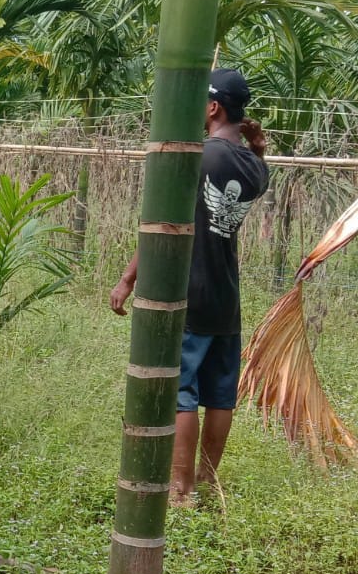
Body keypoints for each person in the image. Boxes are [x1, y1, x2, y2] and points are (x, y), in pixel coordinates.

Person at [111, 67, 269, 506]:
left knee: (182, 390)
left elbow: (165, 223)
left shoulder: (197, 156)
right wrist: (258, 148)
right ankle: (206, 478)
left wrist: (128, 279)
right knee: (221, 393)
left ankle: (180, 489)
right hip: (226, 296)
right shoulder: (257, 167)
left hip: (190, 291)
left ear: (214, 107)